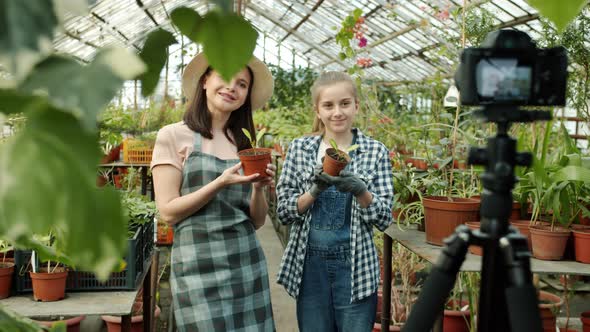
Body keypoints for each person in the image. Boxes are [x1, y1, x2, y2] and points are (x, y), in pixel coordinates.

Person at [151, 52, 276, 331]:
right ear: (205, 80)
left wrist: (259, 189)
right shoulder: (173, 135)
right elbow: (168, 212)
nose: (233, 87)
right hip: (196, 267)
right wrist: (218, 183)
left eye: (242, 84)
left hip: (245, 264)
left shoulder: (244, 145)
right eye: (226, 75)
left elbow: (256, 221)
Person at [276, 71, 394, 331]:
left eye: (344, 103)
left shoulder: (375, 152)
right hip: (309, 267)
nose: (337, 112)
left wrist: (360, 190)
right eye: (328, 105)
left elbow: (385, 219)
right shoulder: (300, 149)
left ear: (356, 106)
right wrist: (313, 191)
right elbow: (283, 212)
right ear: (317, 110)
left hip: (355, 268)